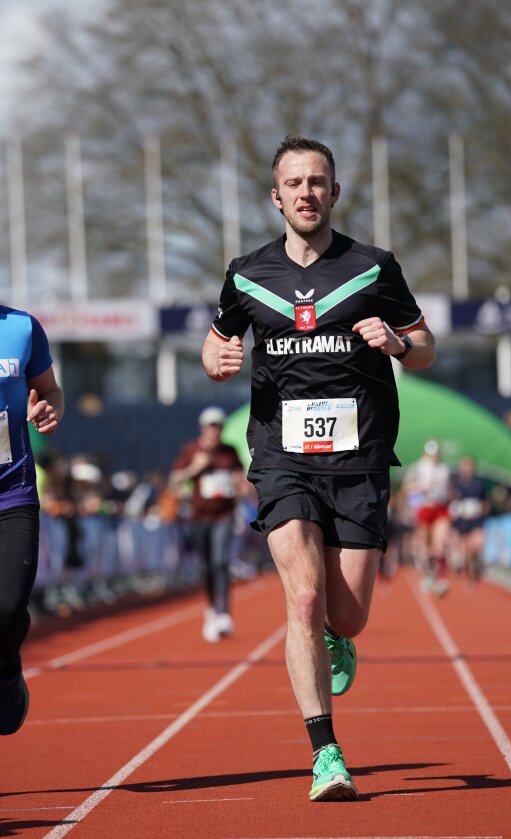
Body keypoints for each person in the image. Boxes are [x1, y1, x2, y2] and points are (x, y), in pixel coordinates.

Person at [201, 135, 436, 801]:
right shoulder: (246, 274)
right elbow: (216, 344)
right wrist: (216, 362)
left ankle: (339, 636)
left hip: (358, 460)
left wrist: (397, 342)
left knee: (347, 614)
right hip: (281, 458)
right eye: (294, 183)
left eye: (316, 181)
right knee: (302, 597)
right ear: (275, 197)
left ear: (333, 192)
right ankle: (325, 752)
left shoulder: (372, 267)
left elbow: (426, 347)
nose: (305, 192)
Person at [0, 304, 64, 735]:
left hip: (12, 492)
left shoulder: (21, 327)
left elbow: (51, 391)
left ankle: (6, 670)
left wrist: (50, 410)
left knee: (6, 611)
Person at [170, 406, 245, 642]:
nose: (215, 430)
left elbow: (240, 479)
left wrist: (239, 483)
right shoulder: (191, 450)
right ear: (203, 428)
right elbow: (174, 479)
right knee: (207, 566)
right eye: (212, 426)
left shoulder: (230, 451)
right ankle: (212, 606)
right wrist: (194, 468)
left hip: (224, 515)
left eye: (219, 426)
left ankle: (224, 612)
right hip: (199, 516)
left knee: (221, 562)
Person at [402, 439, 452, 596]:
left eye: (436, 454)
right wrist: (420, 487)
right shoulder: (418, 467)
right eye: (431, 454)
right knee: (426, 546)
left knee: (440, 545)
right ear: (425, 454)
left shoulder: (444, 469)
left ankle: (441, 578)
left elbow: (449, 490)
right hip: (424, 508)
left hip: (440, 508)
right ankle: (428, 574)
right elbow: (406, 488)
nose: (434, 457)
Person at [448, 455, 489, 586]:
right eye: (464, 466)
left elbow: (486, 503)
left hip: (475, 522)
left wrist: (479, 508)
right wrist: (455, 507)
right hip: (460, 523)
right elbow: (448, 502)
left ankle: (473, 572)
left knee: (476, 545)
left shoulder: (479, 485)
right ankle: (466, 570)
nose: (467, 469)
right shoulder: (454, 485)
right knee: (464, 552)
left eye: (469, 466)